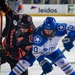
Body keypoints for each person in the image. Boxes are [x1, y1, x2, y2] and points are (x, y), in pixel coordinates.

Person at [9, 17, 75, 75]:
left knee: (64, 63)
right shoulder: (38, 36)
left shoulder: (60, 27)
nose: (47, 32)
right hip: (37, 52)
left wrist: (69, 37)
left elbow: (73, 28)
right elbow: (36, 53)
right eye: (46, 29)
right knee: (22, 64)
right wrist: (43, 62)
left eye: (50, 30)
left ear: (54, 28)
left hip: (53, 51)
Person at [0, 0, 36, 75]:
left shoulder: (32, 36)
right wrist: (3, 5)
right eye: (21, 27)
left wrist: (7, 51)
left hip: (17, 59)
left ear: (30, 26)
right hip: (4, 48)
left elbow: (22, 52)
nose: (23, 29)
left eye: (25, 28)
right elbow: (10, 12)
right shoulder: (18, 19)